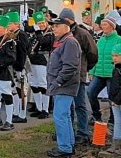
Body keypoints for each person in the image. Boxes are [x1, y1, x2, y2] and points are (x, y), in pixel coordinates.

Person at [58, 8, 98, 145]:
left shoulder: (82, 34)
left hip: (78, 75)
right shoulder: (61, 34)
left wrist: (85, 68)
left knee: (80, 105)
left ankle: (83, 132)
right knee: (67, 107)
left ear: (69, 20)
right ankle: (68, 131)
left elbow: (93, 54)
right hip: (64, 75)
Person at [46, 17, 81, 157]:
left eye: (56, 26)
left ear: (66, 26)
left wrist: (57, 82)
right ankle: (68, 145)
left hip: (64, 86)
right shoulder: (64, 41)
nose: (53, 28)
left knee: (60, 116)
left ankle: (65, 148)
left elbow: (70, 66)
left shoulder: (70, 42)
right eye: (53, 26)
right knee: (64, 116)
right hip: (63, 85)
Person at [87, 15, 121, 123]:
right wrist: (91, 71)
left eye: (105, 24)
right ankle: (96, 116)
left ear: (112, 26)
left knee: (112, 97)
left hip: (112, 75)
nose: (102, 26)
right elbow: (95, 56)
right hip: (99, 73)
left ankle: (113, 120)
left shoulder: (118, 40)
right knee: (90, 92)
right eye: (102, 24)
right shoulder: (100, 40)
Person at [28, 11, 55, 119]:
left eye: (43, 22)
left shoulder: (50, 34)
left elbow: (43, 42)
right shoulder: (34, 34)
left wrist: (38, 31)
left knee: (43, 85)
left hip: (42, 61)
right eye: (39, 23)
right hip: (33, 60)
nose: (41, 25)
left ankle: (45, 109)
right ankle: (39, 108)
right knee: (34, 85)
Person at [5, 11, 30, 124]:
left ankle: (22, 114)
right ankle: (16, 111)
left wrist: (20, 67)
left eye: (10, 24)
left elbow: (23, 52)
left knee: (21, 90)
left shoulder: (22, 35)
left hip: (20, 66)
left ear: (17, 25)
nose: (9, 26)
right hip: (12, 66)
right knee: (14, 90)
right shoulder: (10, 35)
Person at [108, 43, 121, 154]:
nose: (114, 58)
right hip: (115, 101)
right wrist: (112, 99)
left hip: (118, 100)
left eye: (117, 55)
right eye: (113, 55)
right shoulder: (116, 68)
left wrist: (117, 100)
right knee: (117, 122)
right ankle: (116, 144)